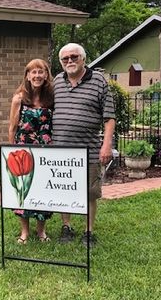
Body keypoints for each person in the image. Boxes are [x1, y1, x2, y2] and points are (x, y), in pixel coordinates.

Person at [52, 43, 116, 247]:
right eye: (65, 59)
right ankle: (66, 226)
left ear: (83, 59)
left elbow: (109, 117)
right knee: (64, 190)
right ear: (61, 63)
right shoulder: (57, 81)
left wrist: (106, 145)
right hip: (61, 150)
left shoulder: (98, 81)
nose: (70, 61)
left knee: (90, 192)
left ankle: (88, 231)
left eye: (74, 57)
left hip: (88, 150)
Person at [8, 58, 55, 245]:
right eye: (33, 72)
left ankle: (41, 231)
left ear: (46, 75)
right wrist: (11, 152)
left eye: (40, 71)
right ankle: (24, 232)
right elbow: (12, 128)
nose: (37, 75)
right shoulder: (18, 98)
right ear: (27, 75)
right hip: (23, 150)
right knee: (24, 190)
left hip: (45, 151)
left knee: (43, 190)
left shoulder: (51, 99)